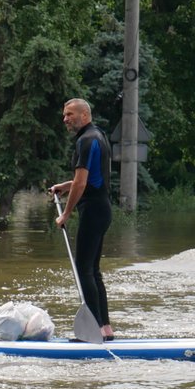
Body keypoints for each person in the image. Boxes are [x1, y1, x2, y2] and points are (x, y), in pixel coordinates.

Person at [48, 98, 114, 341]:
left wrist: (65, 213)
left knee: (84, 270)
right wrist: (66, 187)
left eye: (70, 114)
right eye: (64, 115)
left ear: (84, 115)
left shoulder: (86, 141)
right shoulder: (98, 136)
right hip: (102, 209)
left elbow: (83, 182)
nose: (65, 119)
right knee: (93, 271)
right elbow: (84, 180)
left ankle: (94, 331)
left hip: (94, 211)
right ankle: (105, 329)